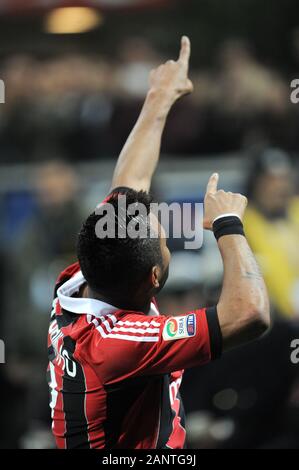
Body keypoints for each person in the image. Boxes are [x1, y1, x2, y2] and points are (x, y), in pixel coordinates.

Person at [47, 37, 270, 449]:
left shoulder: (83, 278)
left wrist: (160, 97)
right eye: (165, 239)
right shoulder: (119, 343)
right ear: (154, 276)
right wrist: (228, 225)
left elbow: (128, 185)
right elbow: (250, 314)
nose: (166, 228)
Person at [244, 148, 299, 318]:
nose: (280, 187)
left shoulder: (296, 209)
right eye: (271, 180)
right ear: (257, 184)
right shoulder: (245, 222)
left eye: (284, 179)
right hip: (277, 321)